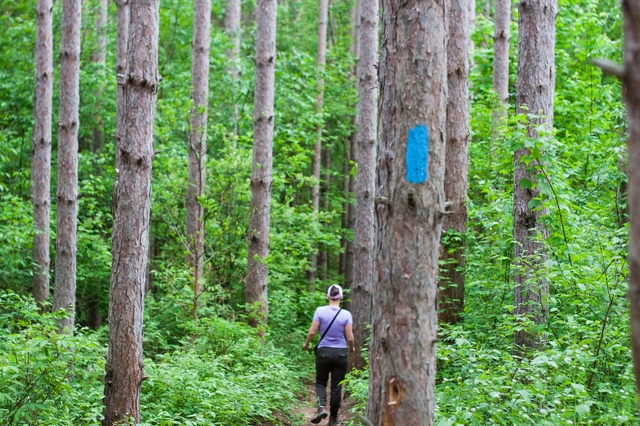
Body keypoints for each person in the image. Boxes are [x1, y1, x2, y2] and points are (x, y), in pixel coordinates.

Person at [303, 284, 355, 425]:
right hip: (341, 353)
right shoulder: (346, 314)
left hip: (323, 352)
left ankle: (321, 408)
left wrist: (307, 344)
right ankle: (333, 418)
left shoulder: (320, 311)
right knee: (336, 386)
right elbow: (350, 338)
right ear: (341, 297)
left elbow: (312, 332)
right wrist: (351, 348)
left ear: (328, 296)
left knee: (321, 382)